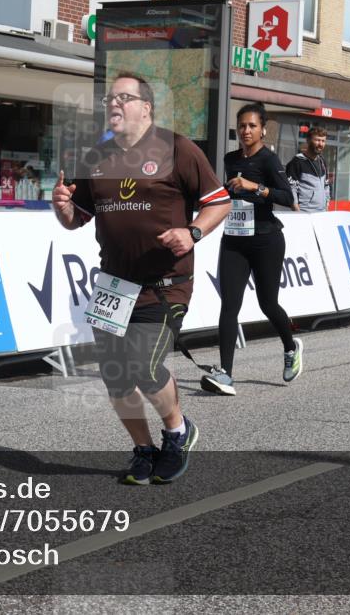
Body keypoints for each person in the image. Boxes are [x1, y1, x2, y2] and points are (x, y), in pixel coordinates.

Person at [52, 72, 230, 485]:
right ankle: (143, 449)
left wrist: (194, 232)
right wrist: (62, 208)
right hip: (114, 286)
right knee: (116, 376)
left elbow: (218, 202)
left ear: (146, 107)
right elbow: (76, 219)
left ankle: (177, 432)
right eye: (109, 99)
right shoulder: (96, 158)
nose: (113, 104)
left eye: (123, 98)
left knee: (145, 366)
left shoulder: (177, 149)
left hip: (164, 284)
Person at [199, 102, 302, 398]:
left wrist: (254, 187)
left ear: (263, 130)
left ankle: (291, 347)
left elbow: (286, 195)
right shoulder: (230, 158)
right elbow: (228, 193)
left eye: (252, 126)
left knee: (267, 303)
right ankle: (226, 374)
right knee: (229, 305)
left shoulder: (269, 160)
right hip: (234, 238)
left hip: (266, 240)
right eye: (242, 125)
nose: (246, 130)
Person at [285, 127, 331, 212]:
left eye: (323, 141)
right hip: (305, 213)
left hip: (322, 213)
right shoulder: (297, 162)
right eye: (317, 140)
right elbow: (291, 189)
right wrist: (297, 212)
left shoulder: (322, 161)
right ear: (308, 140)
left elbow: (326, 185)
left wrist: (327, 205)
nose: (320, 144)